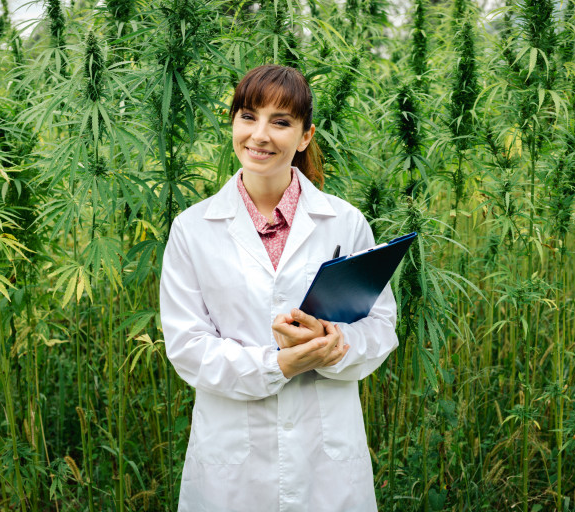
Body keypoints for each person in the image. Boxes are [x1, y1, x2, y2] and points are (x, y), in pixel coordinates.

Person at [159, 64, 399, 512]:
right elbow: (188, 346)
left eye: (281, 122)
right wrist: (278, 365)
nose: (260, 135)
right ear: (232, 123)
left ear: (305, 136)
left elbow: (382, 325)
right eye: (248, 116)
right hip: (232, 465)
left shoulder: (344, 222)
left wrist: (335, 346)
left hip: (325, 462)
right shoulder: (192, 229)